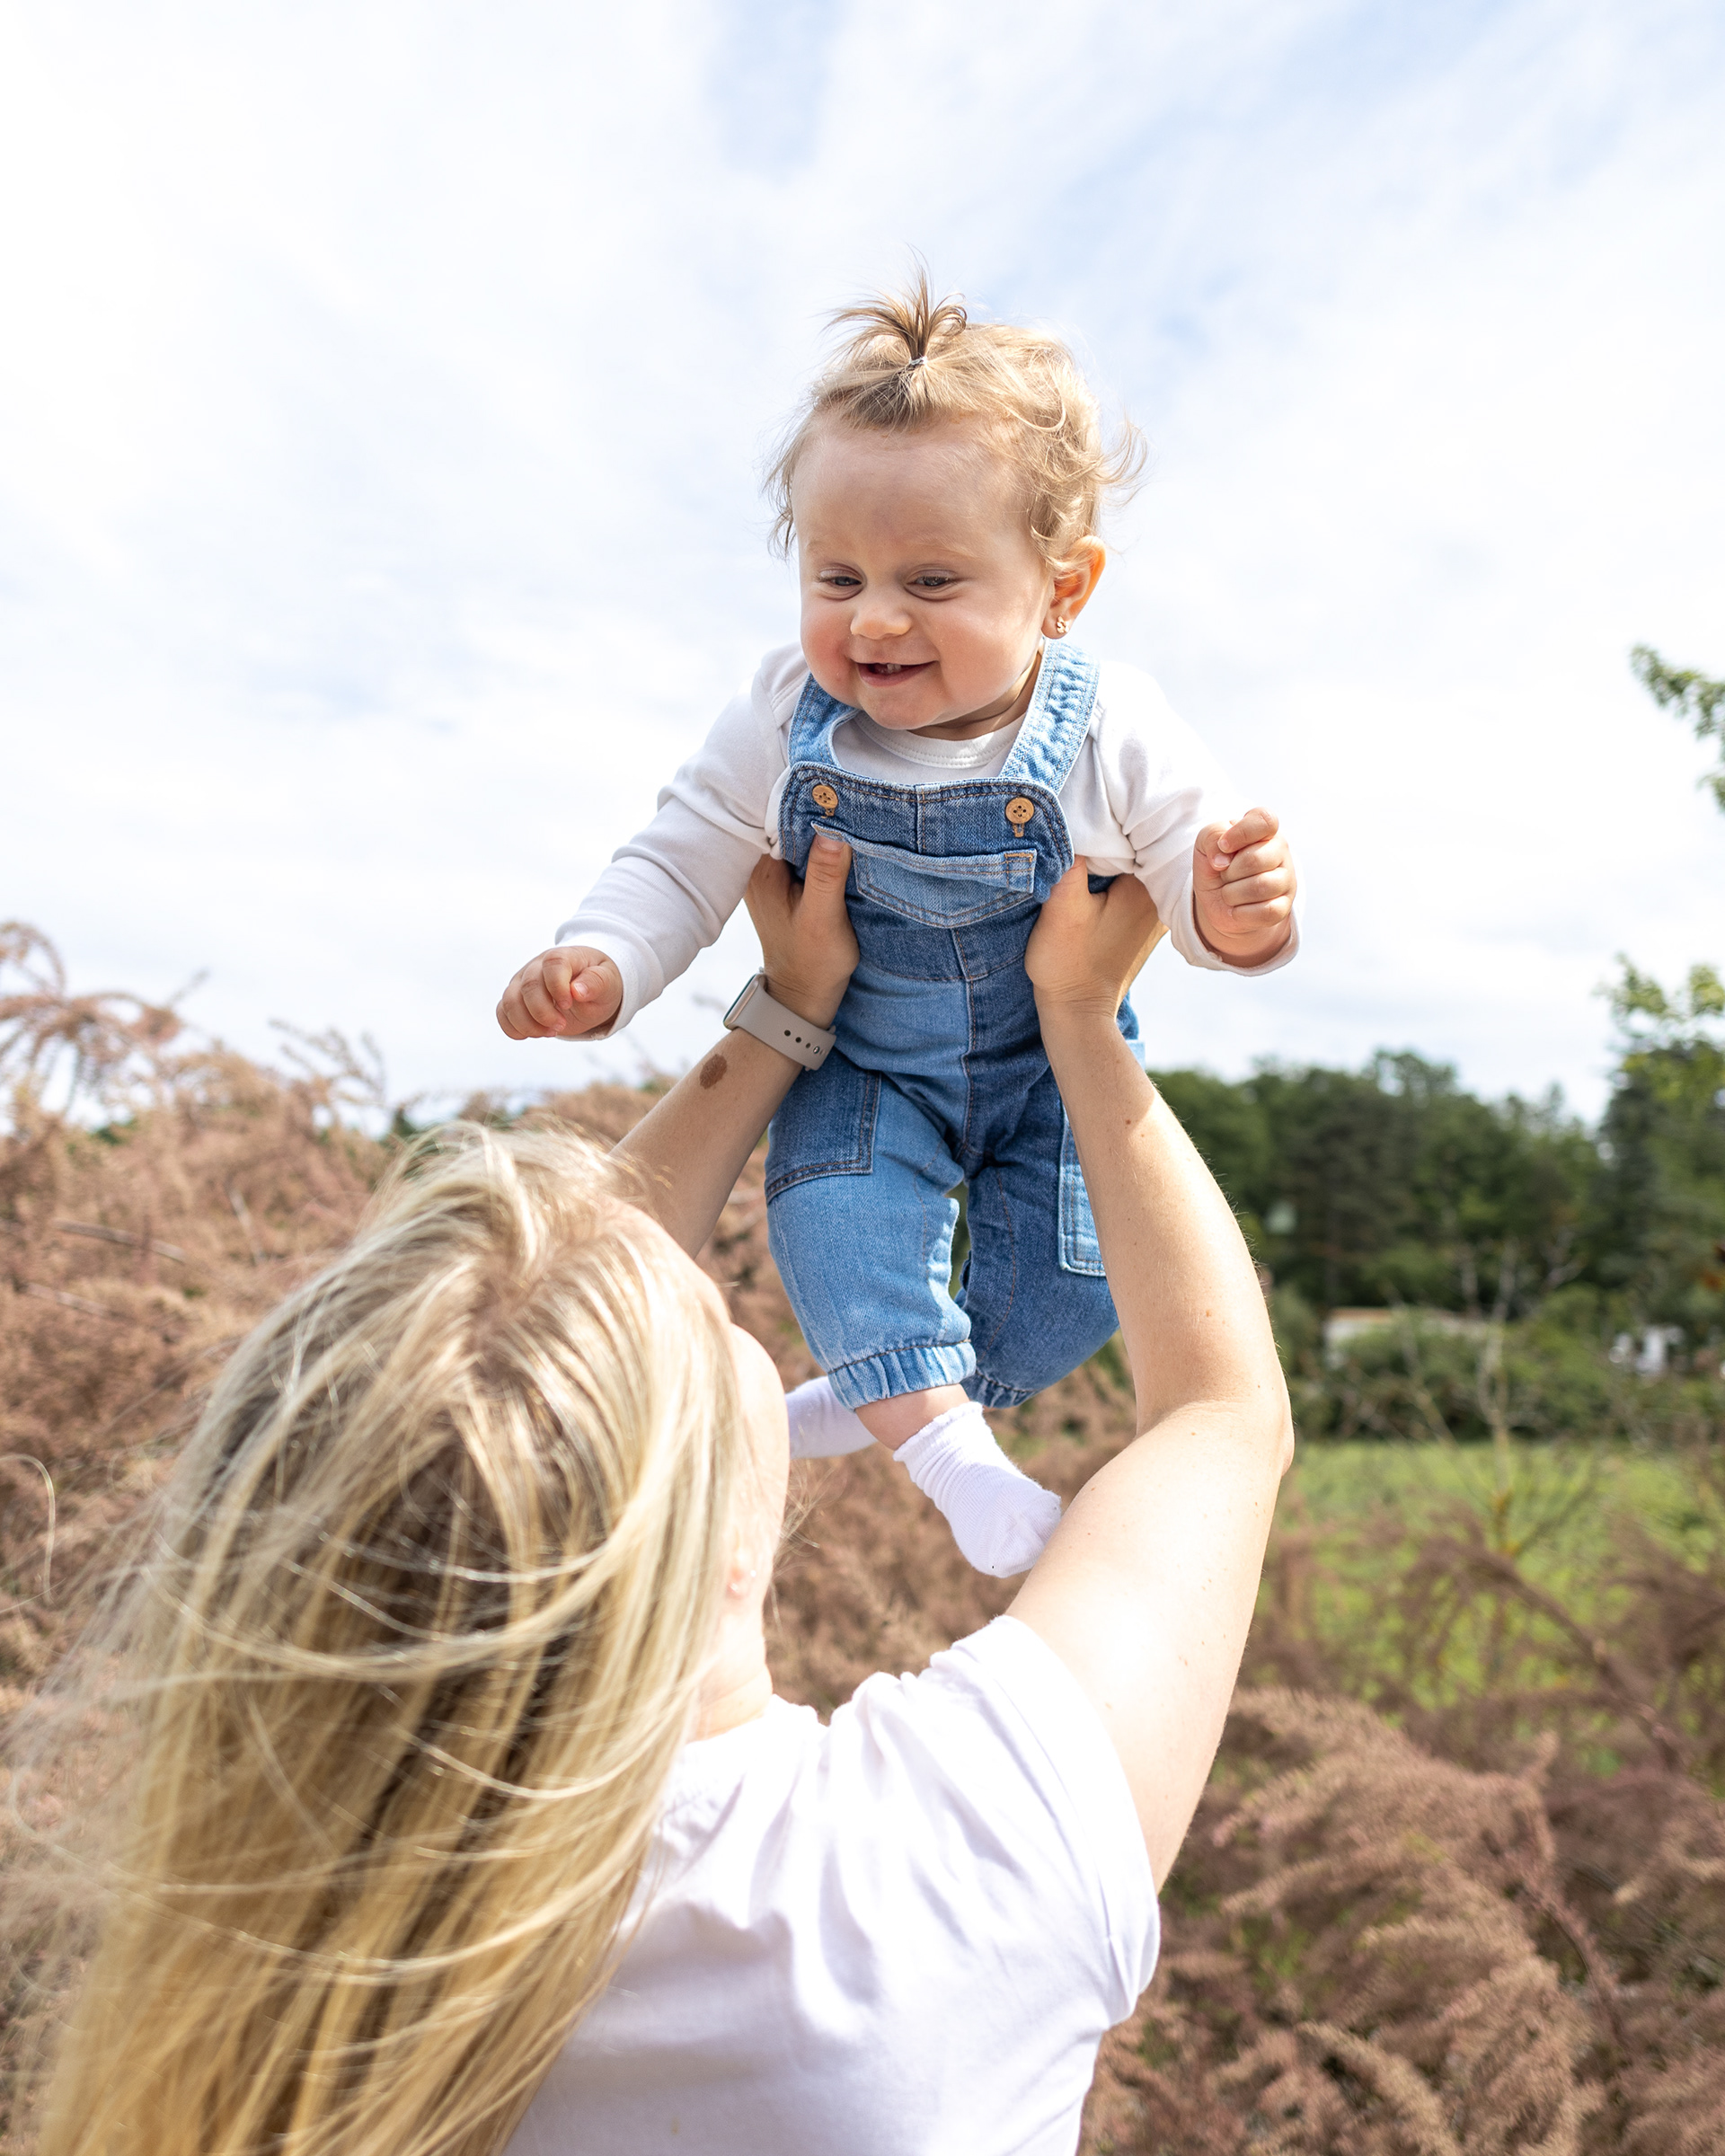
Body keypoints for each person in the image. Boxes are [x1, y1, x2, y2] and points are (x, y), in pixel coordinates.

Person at [23, 833, 1291, 2156]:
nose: (711, 1292)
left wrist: (788, 1011)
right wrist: (1080, 1018)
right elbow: (1221, 1411)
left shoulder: (264, 1956)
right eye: (708, 1317)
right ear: (720, 1548)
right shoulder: (943, 1873)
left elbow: (538, 1322)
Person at [498, 271, 1299, 1582]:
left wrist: (1237, 912)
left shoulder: (1109, 723)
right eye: (838, 576)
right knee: (835, 1220)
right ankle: (946, 1453)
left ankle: (897, 1393)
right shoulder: (785, 716)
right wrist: (609, 958)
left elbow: (1189, 866)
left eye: (931, 579)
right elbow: (684, 848)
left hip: (1051, 1081)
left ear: (1062, 590)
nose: (874, 619)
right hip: (867, 1065)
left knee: (1075, 1291)